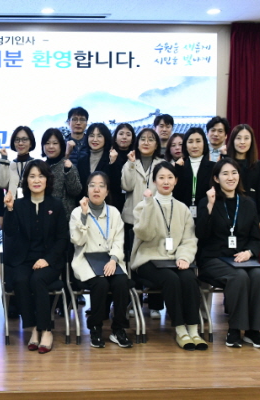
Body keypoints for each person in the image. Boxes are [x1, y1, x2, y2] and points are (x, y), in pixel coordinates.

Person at [130, 162, 206, 351]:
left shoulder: (183, 208)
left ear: (176, 181)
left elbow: (189, 239)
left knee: (189, 278)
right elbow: (145, 234)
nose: (166, 182)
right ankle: (180, 330)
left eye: (170, 177)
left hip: (174, 260)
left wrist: (184, 257)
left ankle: (193, 330)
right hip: (148, 259)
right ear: (154, 181)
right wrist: (149, 205)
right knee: (171, 279)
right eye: (161, 178)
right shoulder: (142, 206)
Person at [196, 159, 260, 348]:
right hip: (213, 259)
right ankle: (235, 329)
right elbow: (200, 235)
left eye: (234, 173)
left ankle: (253, 331)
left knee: (259, 277)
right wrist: (210, 206)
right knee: (239, 277)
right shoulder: (207, 201)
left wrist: (249, 252)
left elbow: (256, 239)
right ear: (216, 178)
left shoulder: (248, 203)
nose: (231, 177)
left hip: (242, 259)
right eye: (225, 174)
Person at [3, 160, 68, 353]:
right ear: (26, 181)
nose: (36, 180)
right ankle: (33, 329)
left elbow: (62, 238)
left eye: (40, 176)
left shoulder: (56, 205)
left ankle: (46, 330)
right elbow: (9, 231)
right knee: (20, 279)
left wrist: (47, 259)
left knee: (38, 279)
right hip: (24, 259)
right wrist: (9, 209)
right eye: (32, 176)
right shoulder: (19, 204)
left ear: (47, 179)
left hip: (49, 260)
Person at [69, 172, 132, 348]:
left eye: (101, 186)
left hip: (111, 260)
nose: (96, 189)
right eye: (92, 185)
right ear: (87, 189)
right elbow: (78, 241)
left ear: (107, 191)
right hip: (86, 260)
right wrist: (84, 215)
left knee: (122, 283)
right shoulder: (77, 212)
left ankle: (118, 329)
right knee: (101, 283)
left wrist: (113, 259)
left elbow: (119, 241)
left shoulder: (114, 212)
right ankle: (95, 327)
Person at [121, 128, 166, 315]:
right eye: (143, 139)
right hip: (132, 219)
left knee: (157, 259)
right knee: (134, 262)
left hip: (156, 220)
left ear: (157, 144)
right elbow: (126, 186)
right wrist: (131, 165)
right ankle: (135, 302)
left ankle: (155, 305)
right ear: (137, 143)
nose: (146, 142)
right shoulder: (130, 162)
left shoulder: (162, 164)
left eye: (151, 139)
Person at [227, 124, 260, 229]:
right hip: (228, 215)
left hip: (251, 217)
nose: (242, 142)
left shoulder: (257, 165)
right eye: (238, 138)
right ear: (232, 140)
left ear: (251, 141)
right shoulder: (225, 163)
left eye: (246, 138)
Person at [172, 128, 214, 217]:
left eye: (198, 141)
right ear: (185, 145)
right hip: (182, 214)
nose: (194, 146)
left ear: (204, 143)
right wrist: (178, 170)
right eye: (190, 142)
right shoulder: (179, 167)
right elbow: (175, 194)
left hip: (207, 213)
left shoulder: (213, 167)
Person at [41, 128, 82, 215]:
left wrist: (68, 171)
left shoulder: (68, 165)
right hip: (43, 215)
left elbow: (76, 191)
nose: (51, 146)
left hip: (65, 217)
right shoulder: (40, 167)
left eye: (55, 143)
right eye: (47, 143)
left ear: (61, 145)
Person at [76, 123, 115, 197]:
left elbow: (116, 186)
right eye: (91, 136)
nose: (95, 139)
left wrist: (113, 164)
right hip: (85, 202)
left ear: (106, 138)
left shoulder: (112, 158)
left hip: (106, 202)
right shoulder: (82, 161)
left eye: (99, 136)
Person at [0, 126, 36, 198]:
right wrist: (4, 159)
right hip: (11, 204)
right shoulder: (9, 165)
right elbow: (2, 184)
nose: (20, 143)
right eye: (17, 140)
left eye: (24, 139)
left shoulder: (36, 165)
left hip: (31, 204)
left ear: (31, 143)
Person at [109, 123, 135, 212]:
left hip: (131, 199)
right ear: (115, 138)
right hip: (112, 200)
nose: (124, 137)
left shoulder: (136, 157)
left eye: (128, 134)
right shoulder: (108, 155)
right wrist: (112, 162)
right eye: (121, 134)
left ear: (132, 139)